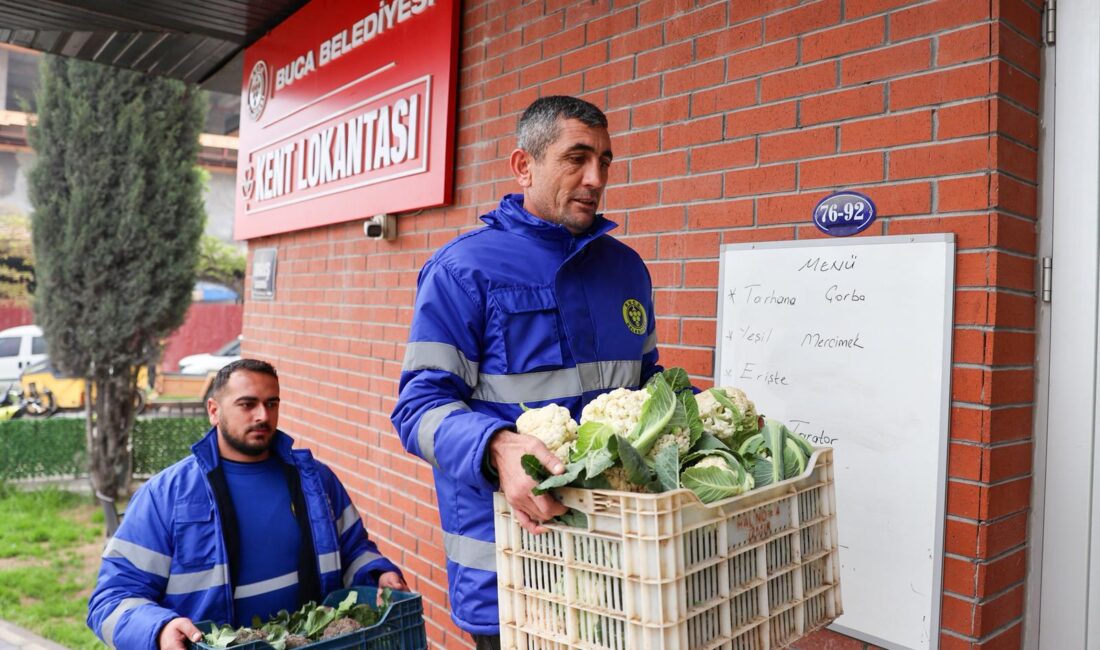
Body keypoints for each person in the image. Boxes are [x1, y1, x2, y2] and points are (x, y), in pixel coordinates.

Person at [391, 95, 662, 649]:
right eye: (576, 158)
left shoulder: (627, 270)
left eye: (605, 161)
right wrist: (497, 446)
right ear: (524, 165)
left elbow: (650, 388)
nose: (595, 178)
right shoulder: (463, 270)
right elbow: (417, 409)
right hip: (511, 571)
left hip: (615, 563)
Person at [88, 359, 406, 650]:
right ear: (214, 410)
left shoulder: (316, 481)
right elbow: (112, 600)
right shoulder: (166, 495)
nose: (262, 416)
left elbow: (353, 550)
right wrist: (160, 629)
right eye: (247, 404)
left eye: (271, 403)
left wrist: (377, 573)